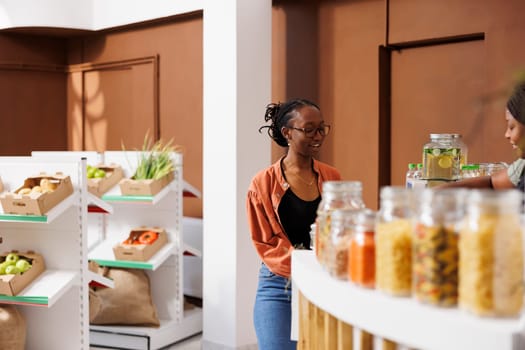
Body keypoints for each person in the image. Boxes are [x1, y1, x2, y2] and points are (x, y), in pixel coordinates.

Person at [246, 98, 341, 349]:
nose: (318, 135)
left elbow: (341, 230)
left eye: (322, 128)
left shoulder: (332, 176)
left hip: (324, 280)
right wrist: (304, 265)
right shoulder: (262, 183)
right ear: (288, 132)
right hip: (279, 285)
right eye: (309, 129)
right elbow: (264, 242)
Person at [437, 81, 525, 190]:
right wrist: (435, 193)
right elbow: (492, 183)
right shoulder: (522, 166)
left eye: (511, 127)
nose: (507, 134)